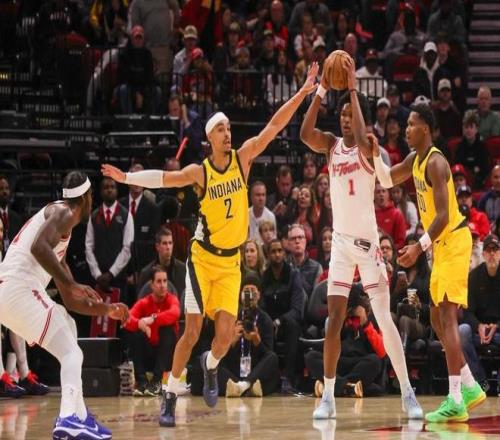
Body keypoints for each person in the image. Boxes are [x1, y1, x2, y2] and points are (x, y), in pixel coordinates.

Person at [102, 63, 320, 427]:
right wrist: (126, 177)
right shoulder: (200, 172)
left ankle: (211, 364)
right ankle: (170, 394)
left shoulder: (243, 158)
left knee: (223, 339)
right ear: (209, 137)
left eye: (229, 128)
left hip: (231, 264)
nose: (228, 133)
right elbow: (165, 179)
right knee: (190, 332)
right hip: (202, 260)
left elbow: (274, 126)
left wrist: (302, 92)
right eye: (221, 129)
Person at [300, 55, 422, 420]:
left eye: (349, 114)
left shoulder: (370, 146)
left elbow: (362, 127)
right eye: (340, 116)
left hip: (368, 246)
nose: (344, 120)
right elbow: (304, 134)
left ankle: (408, 393)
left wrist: (352, 88)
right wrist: (322, 89)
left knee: (383, 318)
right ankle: (328, 397)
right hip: (340, 244)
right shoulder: (331, 145)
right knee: (333, 320)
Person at [369, 103, 486, 422]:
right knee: (435, 318)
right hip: (441, 245)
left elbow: (444, 215)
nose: (406, 129)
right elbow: (387, 179)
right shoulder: (414, 160)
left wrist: (418, 248)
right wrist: (376, 153)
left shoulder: (436, 162)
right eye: (406, 124)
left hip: (454, 241)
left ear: (425, 129)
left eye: (411, 124)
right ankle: (470, 386)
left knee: (447, 318)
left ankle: (455, 399)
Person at [0, 171, 128, 439]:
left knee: (69, 328)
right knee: (72, 353)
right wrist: (71, 282)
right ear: (87, 197)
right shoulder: (64, 211)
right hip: (19, 288)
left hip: (10, 294)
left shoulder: (59, 235)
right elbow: (38, 248)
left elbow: (70, 300)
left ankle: (79, 416)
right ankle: (68, 418)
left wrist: (107, 310)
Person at [217, 272, 280, 397]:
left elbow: (268, 356)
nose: (249, 296)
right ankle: (246, 388)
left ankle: (243, 386)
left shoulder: (265, 320)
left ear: (259, 295)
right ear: (240, 294)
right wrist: (232, 341)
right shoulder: (232, 317)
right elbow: (221, 354)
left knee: (273, 358)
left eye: (253, 291)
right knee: (213, 363)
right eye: (246, 291)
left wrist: (257, 341)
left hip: (256, 371)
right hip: (234, 371)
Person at [123, 265, 180, 397]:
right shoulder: (144, 303)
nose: (163, 285)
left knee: (167, 330)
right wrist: (140, 323)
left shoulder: (172, 299)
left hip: (167, 357)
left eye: (165, 281)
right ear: (151, 285)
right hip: (149, 355)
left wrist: (153, 319)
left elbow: (175, 313)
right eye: (159, 281)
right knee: (136, 332)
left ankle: (156, 382)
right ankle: (141, 382)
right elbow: (127, 319)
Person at [459, 234, 500, 390]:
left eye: (495, 250)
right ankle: (480, 380)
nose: (492, 253)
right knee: (462, 331)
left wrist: (497, 325)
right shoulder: (474, 276)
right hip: (479, 332)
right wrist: (478, 326)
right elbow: (467, 311)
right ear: (483, 254)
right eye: (488, 250)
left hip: (498, 331)